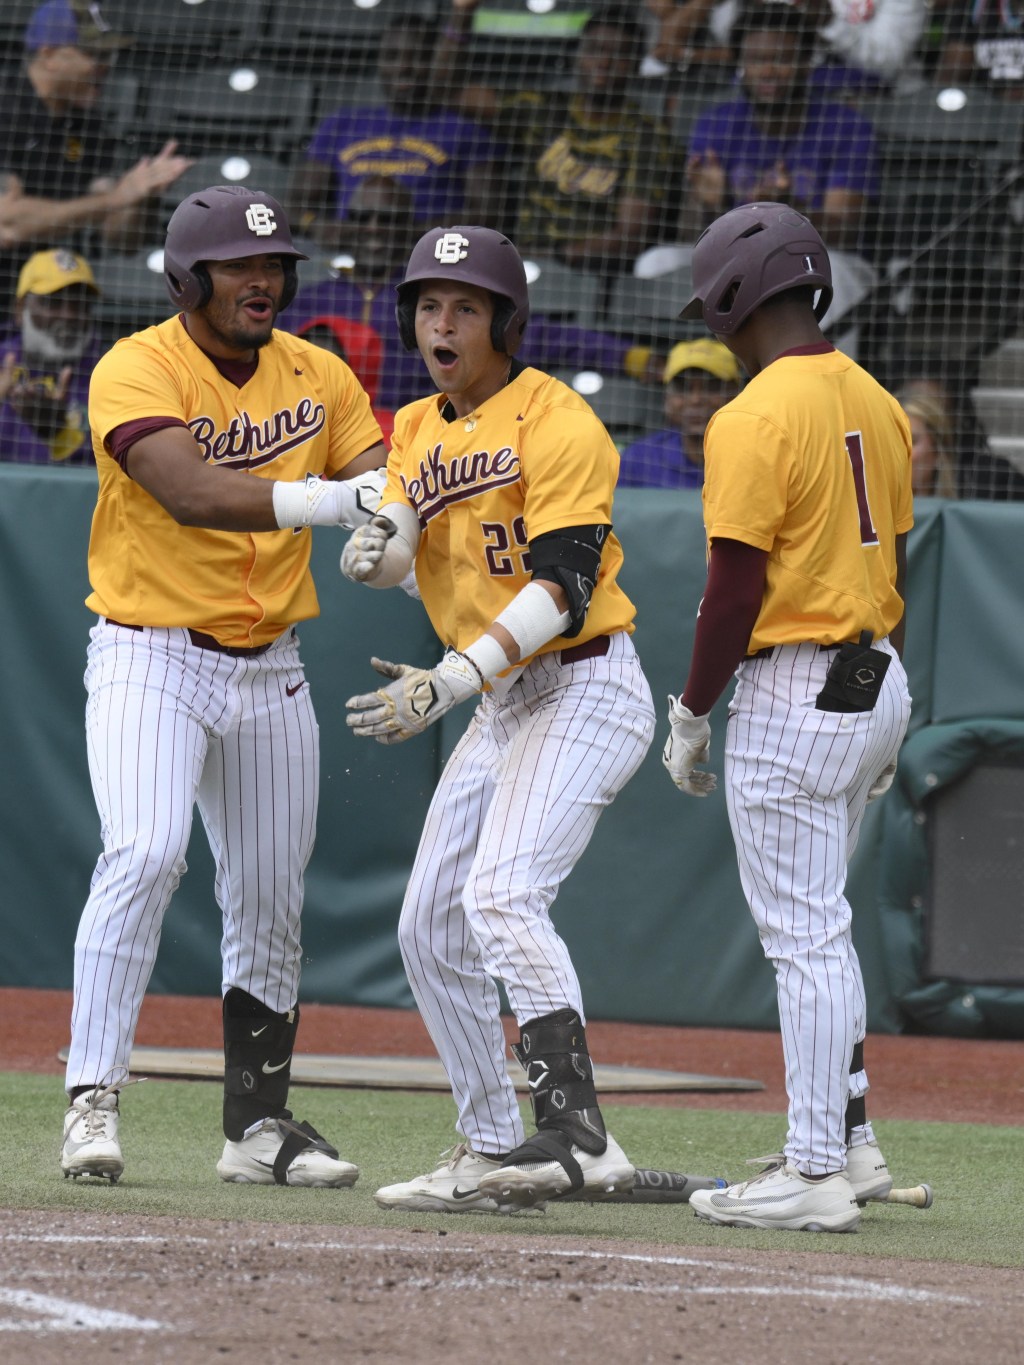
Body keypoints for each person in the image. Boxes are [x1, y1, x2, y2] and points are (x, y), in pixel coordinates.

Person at [60, 185, 390, 1189]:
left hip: (270, 666)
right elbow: (189, 490)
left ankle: (256, 1128)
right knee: (145, 852)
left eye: (275, 265)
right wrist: (341, 502)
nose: (264, 281)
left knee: (267, 899)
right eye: (240, 267)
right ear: (186, 276)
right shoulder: (136, 364)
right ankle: (90, 1102)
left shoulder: (316, 371)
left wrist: (393, 521)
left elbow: (380, 466)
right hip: (150, 653)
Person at [339, 225, 656, 1214]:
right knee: (428, 923)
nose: (442, 322)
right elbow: (397, 543)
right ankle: (489, 1146)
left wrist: (448, 679)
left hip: (585, 683)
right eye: (429, 305)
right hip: (505, 696)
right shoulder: (416, 429)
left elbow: (561, 586)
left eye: (465, 306)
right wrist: (379, 548)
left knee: (502, 896)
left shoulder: (558, 422)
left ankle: (574, 1133)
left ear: (504, 321)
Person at [662, 202, 913, 1232]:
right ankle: (848, 1147)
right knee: (826, 932)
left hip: (792, 687)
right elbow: (890, 560)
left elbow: (731, 593)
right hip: (876, 679)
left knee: (804, 940)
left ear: (733, 292)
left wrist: (689, 710)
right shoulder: (880, 399)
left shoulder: (753, 415)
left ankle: (813, 1169)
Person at [280, 174, 665, 413]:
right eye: (363, 218)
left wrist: (632, 357)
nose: (375, 229)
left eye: (389, 219)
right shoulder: (314, 300)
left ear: (409, 226)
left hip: (419, 438)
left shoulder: (434, 299)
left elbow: (545, 337)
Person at [651, 5, 880, 332]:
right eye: (757, 60)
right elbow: (690, 236)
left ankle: (820, 381)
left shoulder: (846, 126)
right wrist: (709, 205)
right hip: (734, 259)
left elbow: (845, 232)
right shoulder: (716, 124)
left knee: (837, 276)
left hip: (816, 260)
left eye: (783, 59)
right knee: (656, 263)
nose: (769, 71)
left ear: (806, 63)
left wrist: (789, 213)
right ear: (741, 64)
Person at [438, 3, 677, 277]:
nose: (605, 62)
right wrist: (461, 14)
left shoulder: (647, 136)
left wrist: (555, 257)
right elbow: (447, 90)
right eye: (595, 50)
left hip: (589, 272)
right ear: (577, 55)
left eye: (619, 54)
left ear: (636, 65)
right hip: (519, 264)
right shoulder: (545, 110)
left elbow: (630, 235)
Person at [0, 0, 191, 307]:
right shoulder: (6, 107)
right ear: (49, 56)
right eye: (95, 54)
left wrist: (142, 194)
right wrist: (115, 199)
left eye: (109, 54)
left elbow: (121, 238)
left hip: (47, 300)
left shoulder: (88, 125)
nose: (106, 66)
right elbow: (7, 225)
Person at [286, 14, 505, 250]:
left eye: (419, 57)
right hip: (352, 255)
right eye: (392, 56)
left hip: (430, 256)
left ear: (436, 62)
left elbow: (489, 214)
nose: (403, 67)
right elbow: (292, 206)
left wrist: (415, 234)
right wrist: (317, 225)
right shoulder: (341, 124)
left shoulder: (465, 130)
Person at [0, 247, 103, 464]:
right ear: (20, 309)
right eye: (53, 303)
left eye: (80, 305)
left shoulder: (111, 374)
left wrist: (59, 435)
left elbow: (119, 471)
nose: (68, 316)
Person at [618, 338, 742, 487]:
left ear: (736, 394)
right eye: (683, 388)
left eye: (711, 387)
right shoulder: (639, 458)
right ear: (666, 397)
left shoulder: (757, 455)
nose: (695, 400)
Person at [895, 382, 959, 498]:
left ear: (938, 452)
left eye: (912, 441)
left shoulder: (954, 514)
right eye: (891, 441)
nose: (898, 452)